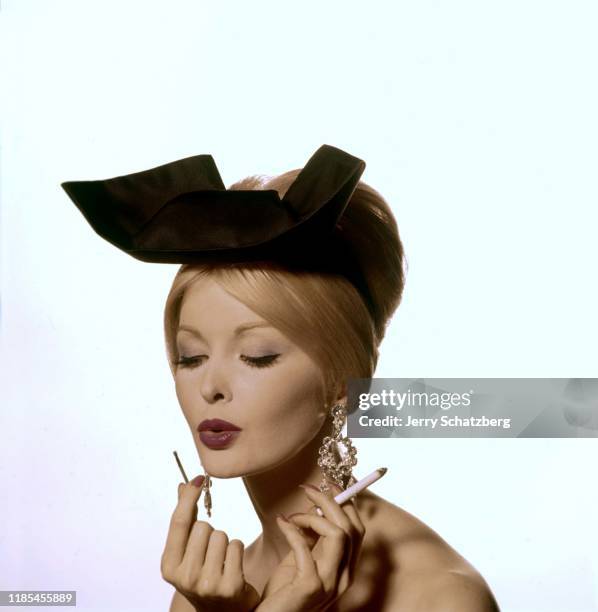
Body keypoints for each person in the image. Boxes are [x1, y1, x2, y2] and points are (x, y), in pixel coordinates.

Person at [62, 145, 500, 611]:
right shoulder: (208, 594)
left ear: (341, 381)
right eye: (190, 358)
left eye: (257, 356)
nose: (211, 387)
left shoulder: (439, 596)